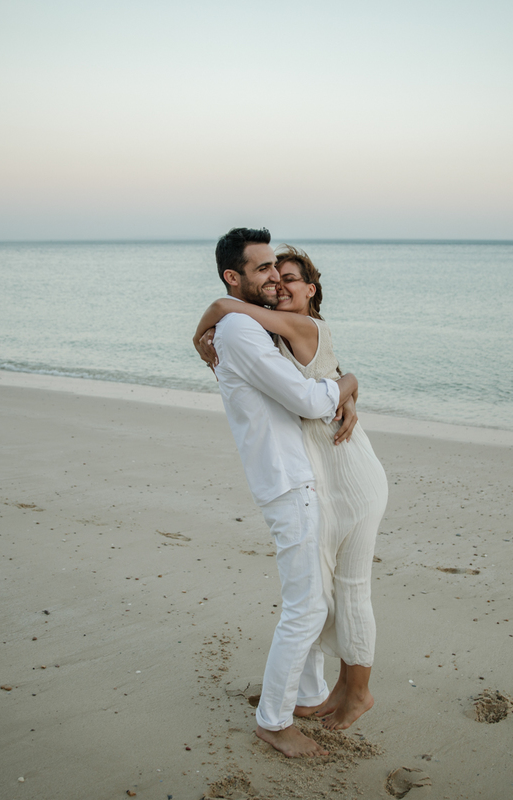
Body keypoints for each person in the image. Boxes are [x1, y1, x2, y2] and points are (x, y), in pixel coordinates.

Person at [195, 243, 388, 733]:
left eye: (289, 277)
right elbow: (317, 376)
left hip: (351, 473)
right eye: (272, 274)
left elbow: (306, 392)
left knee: (350, 589)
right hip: (322, 477)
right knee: (327, 591)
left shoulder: (298, 325)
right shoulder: (268, 331)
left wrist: (215, 309)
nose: (279, 283)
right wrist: (347, 381)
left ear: (312, 289)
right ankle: (333, 689)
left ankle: (357, 691)